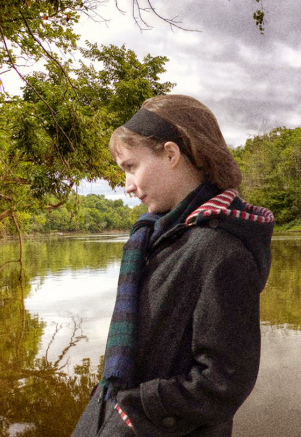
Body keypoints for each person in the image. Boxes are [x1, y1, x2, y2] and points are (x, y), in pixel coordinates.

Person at [71, 95, 274, 437]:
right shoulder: (159, 235)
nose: (128, 186)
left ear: (170, 154)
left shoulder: (222, 250)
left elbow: (224, 381)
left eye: (131, 166)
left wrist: (135, 412)